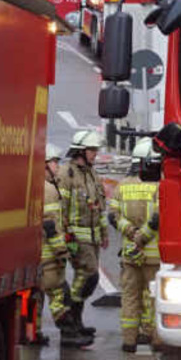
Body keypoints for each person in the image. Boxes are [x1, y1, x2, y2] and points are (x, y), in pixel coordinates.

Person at [108, 137, 161, 353]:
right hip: (154, 255)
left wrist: (130, 232)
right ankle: (154, 338)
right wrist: (143, 236)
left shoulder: (121, 187)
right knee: (154, 298)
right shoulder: (158, 185)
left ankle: (129, 341)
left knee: (129, 298)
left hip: (129, 254)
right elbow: (159, 218)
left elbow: (113, 216)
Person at [38, 144, 92, 348]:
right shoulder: (49, 190)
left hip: (39, 256)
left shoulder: (38, 186)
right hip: (49, 256)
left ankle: (33, 335)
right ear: (43, 165)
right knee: (60, 296)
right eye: (53, 162)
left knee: (38, 297)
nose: (57, 167)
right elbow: (50, 226)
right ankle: (69, 335)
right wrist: (63, 251)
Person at [60, 129, 107, 340]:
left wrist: (104, 233)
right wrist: (65, 234)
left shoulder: (91, 174)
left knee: (87, 277)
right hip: (77, 238)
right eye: (92, 150)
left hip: (93, 237)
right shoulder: (66, 174)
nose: (95, 154)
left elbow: (99, 206)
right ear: (80, 151)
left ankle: (76, 321)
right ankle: (70, 319)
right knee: (89, 275)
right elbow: (61, 207)